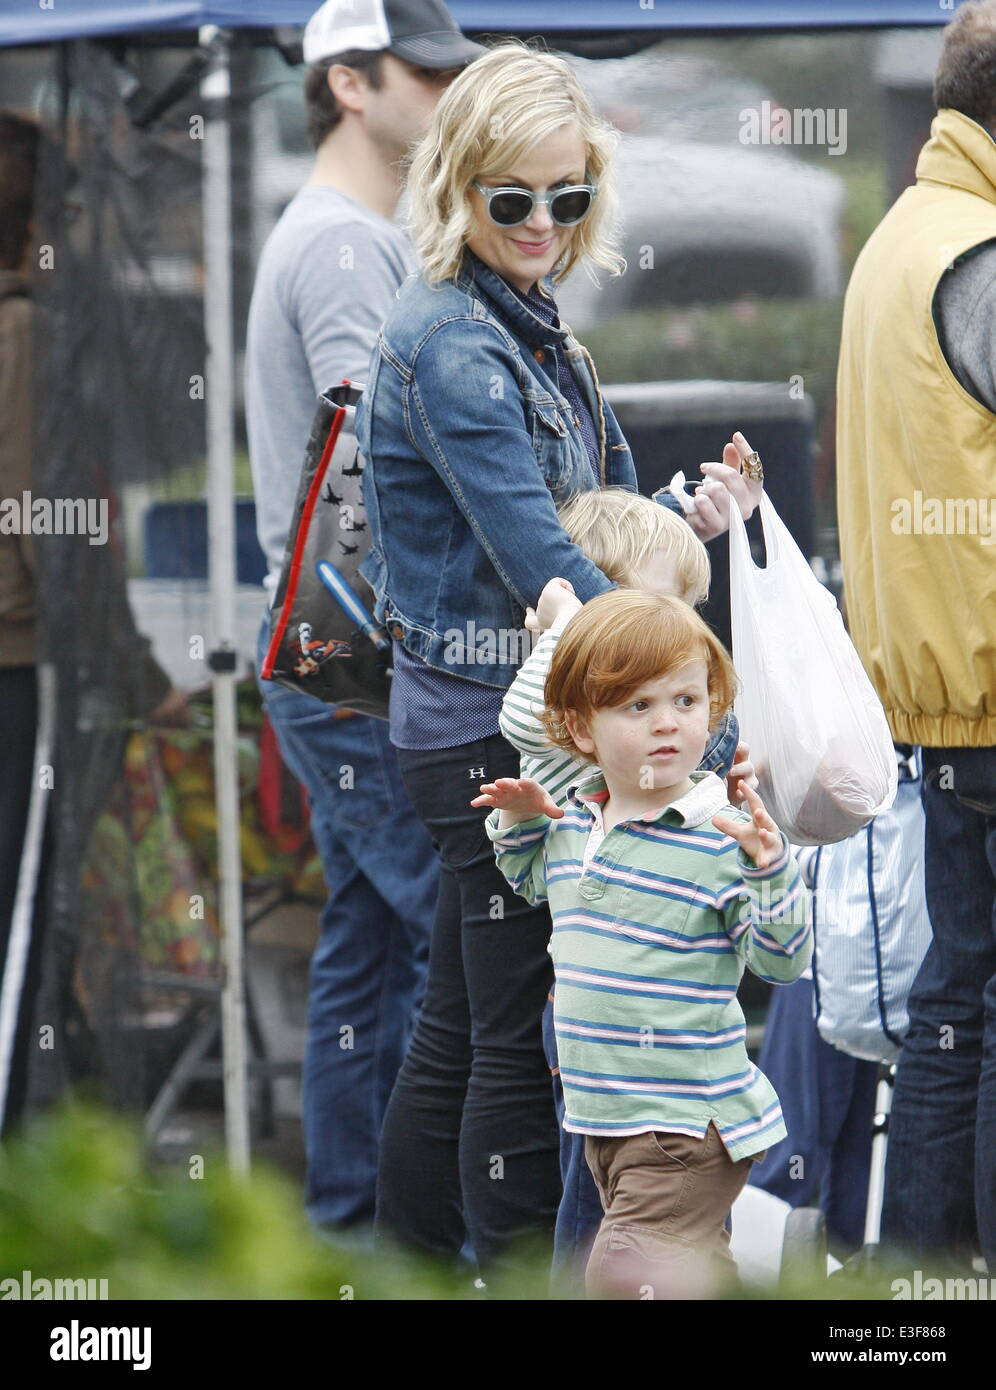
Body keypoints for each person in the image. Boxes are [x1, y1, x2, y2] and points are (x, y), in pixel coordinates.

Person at [355, 40, 760, 1272]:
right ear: (458, 186)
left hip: (505, 718)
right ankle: (512, 1276)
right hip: (499, 728)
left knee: (464, 1025)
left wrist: (685, 528)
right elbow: (560, 575)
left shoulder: (527, 329)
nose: (542, 222)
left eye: (568, 196)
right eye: (512, 198)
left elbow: (608, 523)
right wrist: (713, 724)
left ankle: (411, 1273)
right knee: (517, 1035)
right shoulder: (459, 349)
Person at [246, 0, 484, 1234]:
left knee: (370, 952)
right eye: (422, 67)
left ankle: (351, 1229)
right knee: (464, 951)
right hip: (354, 667)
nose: (447, 88)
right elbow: (373, 472)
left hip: (330, 663)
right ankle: (420, 1240)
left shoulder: (342, 232)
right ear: (348, 83)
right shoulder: (346, 250)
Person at [475, 589, 812, 1297]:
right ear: (579, 729)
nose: (668, 723)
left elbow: (784, 961)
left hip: (683, 1129)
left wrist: (772, 868)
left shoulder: (720, 834)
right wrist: (520, 821)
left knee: (620, 1278)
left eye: (687, 701)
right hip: (606, 1121)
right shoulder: (574, 827)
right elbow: (531, 880)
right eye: (638, 706)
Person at [498, 487, 758, 1277]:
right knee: (608, 1228)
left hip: (663, 1039)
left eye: (688, 605)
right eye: (659, 604)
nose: (680, 626)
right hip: (604, 1033)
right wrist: (566, 612)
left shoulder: (650, 732)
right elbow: (517, 714)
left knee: (648, 1231)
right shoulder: (573, 718)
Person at [836, 0, 996, 1271]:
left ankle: (922, 1287)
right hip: (992, 683)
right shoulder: (982, 252)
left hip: (940, 699)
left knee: (954, 1003)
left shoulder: (902, 237)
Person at [0, 110, 187, 1133]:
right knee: (29, 918)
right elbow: (50, 531)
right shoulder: (26, 330)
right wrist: (131, 664)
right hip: (24, 668)